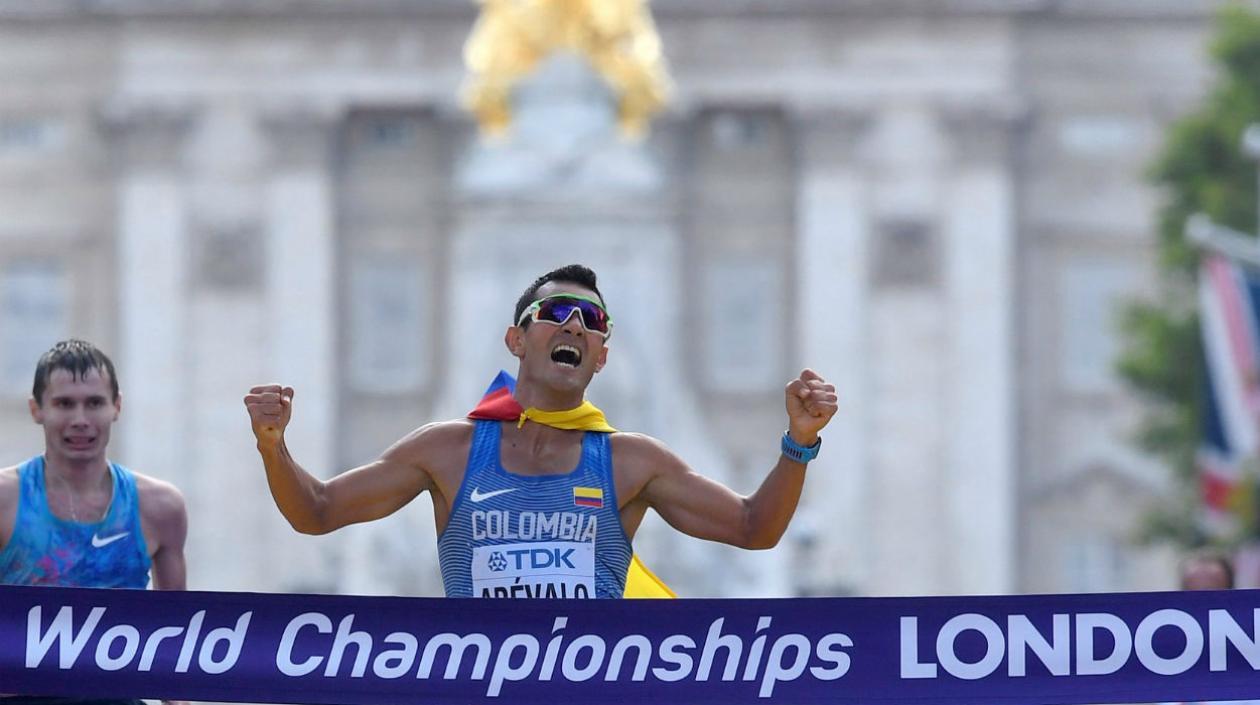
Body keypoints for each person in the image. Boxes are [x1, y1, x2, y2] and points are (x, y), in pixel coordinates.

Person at [245, 264, 837, 598]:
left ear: (602, 356)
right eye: (555, 314)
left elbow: (753, 528)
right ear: (516, 340)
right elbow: (317, 512)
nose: (575, 326)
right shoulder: (448, 450)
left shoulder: (631, 462)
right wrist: (274, 446)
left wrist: (800, 442)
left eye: (593, 322)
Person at [0, 339, 189, 705]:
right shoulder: (6, 499)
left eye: (94, 403)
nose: (80, 420)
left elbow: (175, 645)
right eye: (64, 404)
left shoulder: (160, 507)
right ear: (36, 409)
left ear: (117, 406)